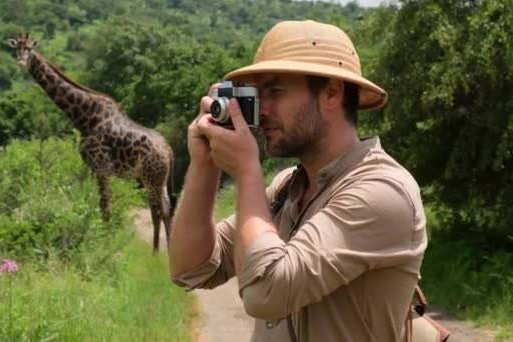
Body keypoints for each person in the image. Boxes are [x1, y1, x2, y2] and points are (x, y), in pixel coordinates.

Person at [167, 20, 427, 342]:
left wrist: (247, 170)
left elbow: (267, 294)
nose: (262, 110)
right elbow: (191, 267)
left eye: (275, 91)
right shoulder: (288, 187)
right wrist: (205, 163)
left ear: (332, 92)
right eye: (258, 94)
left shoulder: (383, 192)